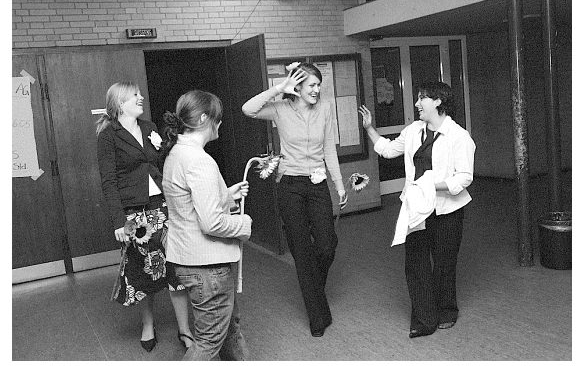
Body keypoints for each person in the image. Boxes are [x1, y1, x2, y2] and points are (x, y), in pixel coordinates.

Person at [358, 81, 475, 338]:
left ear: (438, 102)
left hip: (447, 210)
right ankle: (424, 318)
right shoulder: (413, 131)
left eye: (422, 98)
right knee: (415, 262)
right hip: (416, 208)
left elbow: (464, 178)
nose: (416, 104)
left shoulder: (459, 137)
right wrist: (369, 129)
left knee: (444, 263)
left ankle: (447, 310)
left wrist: (431, 186)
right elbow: (388, 150)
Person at [242, 62, 347, 337]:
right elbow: (248, 109)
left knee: (326, 245)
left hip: (318, 183)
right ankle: (317, 314)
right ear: (297, 87)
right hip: (289, 185)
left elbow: (328, 148)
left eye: (318, 85)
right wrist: (279, 88)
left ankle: (312, 288)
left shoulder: (324, 108)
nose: (317, 89)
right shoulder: (280, 110)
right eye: (312, 85)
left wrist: (339, 184)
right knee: (301, 250)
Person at [96, 81, 193, 352]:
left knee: (174, 265)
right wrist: (118, 221)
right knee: (145, 269)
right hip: (134, 214)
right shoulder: (108, 135)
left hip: (162, 205)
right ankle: (148, 325)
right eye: (134, 95)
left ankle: (184, 330)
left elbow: (163, 166)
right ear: (119, 103)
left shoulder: (149, 128)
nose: (141, 98)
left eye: (139, 94)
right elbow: (109, 181)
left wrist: (162, 149)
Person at [162, 89, 252, 360]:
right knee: (208, 343)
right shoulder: (200, 161)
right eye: (217, 118)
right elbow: (211, 222)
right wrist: (243, 224)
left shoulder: (177, 154)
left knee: (228, 331)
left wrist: (226, 195)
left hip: (190, 260)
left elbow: (189, 206)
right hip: (208, 268)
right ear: (204, 118)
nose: (220, 124)